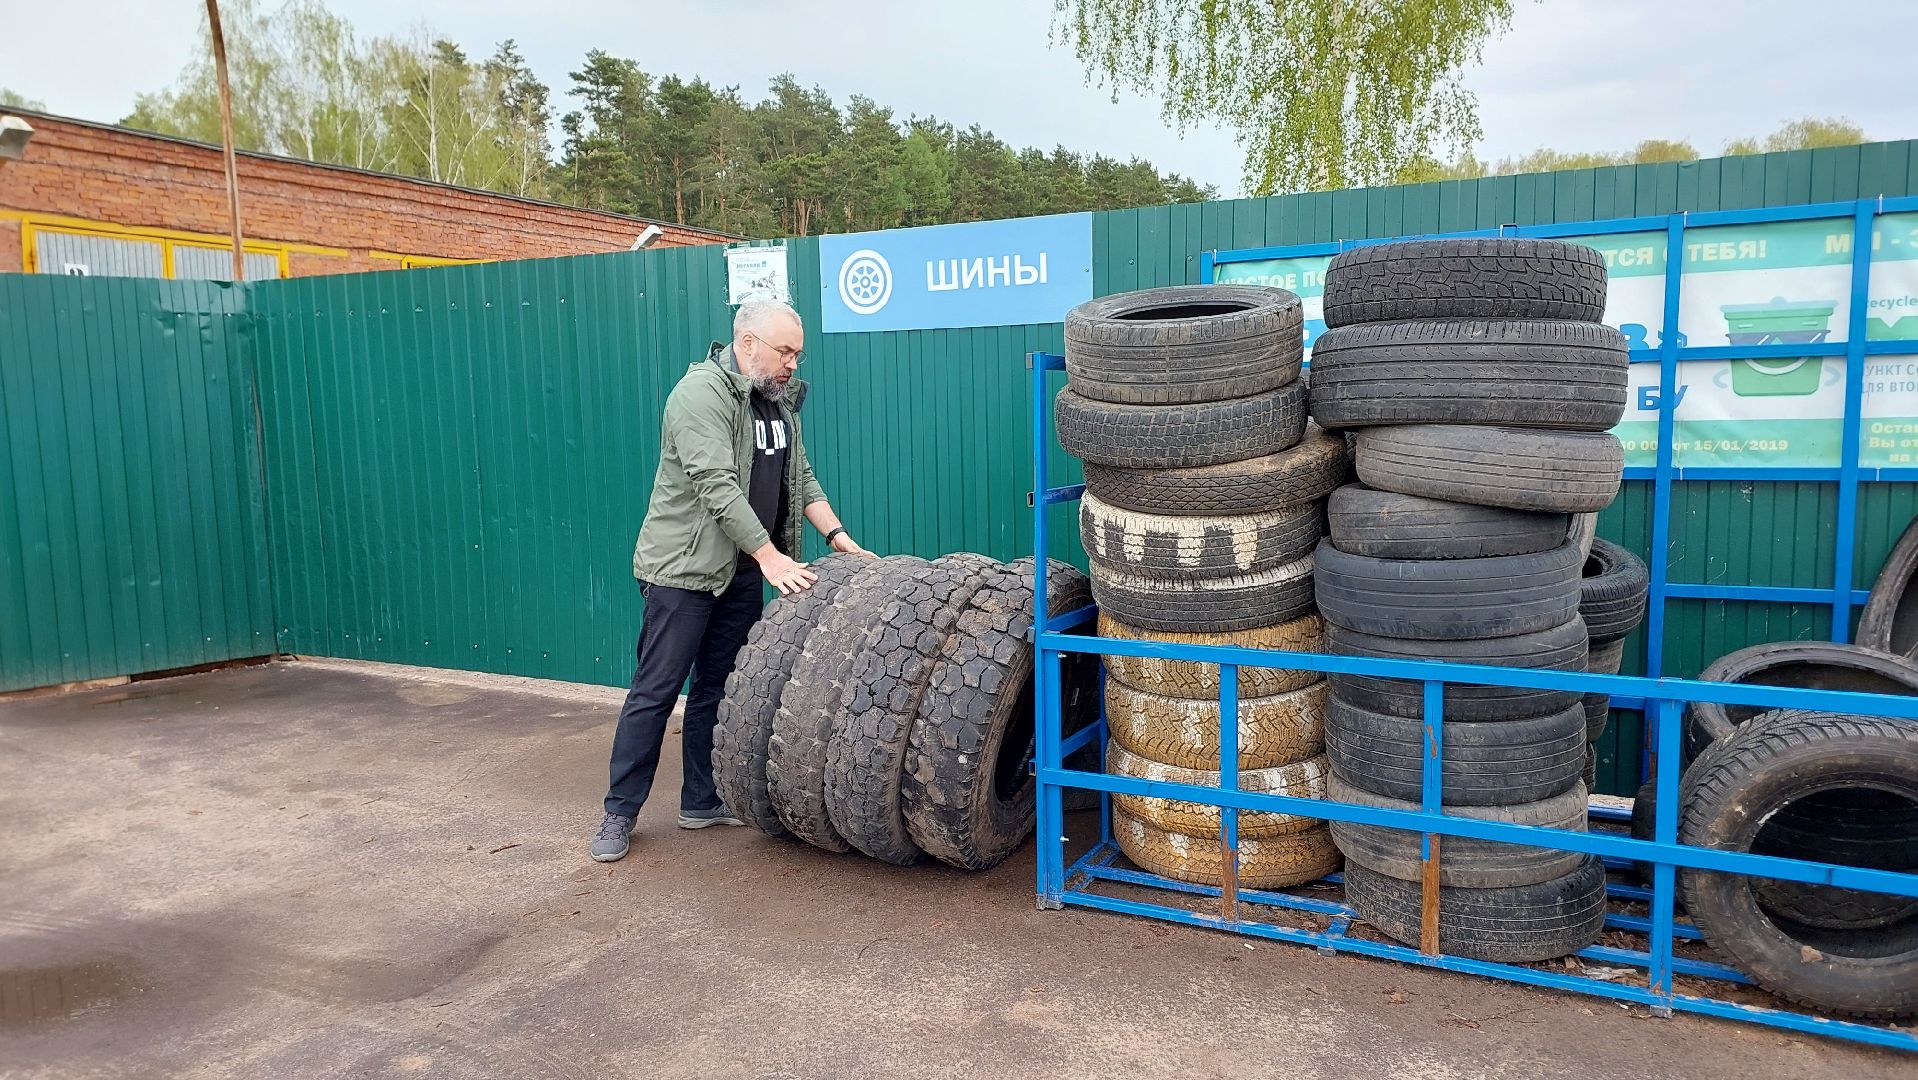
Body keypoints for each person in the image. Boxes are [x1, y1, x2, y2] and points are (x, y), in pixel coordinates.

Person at [590, 300, 867, 862]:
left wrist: (839, 537)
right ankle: (619, 813)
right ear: (746, 343)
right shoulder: (699, 396)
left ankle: (701, 801)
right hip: (683, 573)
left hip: (741, 570)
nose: (792, 363)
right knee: (656, 692)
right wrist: (770, 557)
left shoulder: (777, 404)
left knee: (716, 689)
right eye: (784, 351)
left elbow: (801, 478)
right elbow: (715, 485)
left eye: (798, 354)